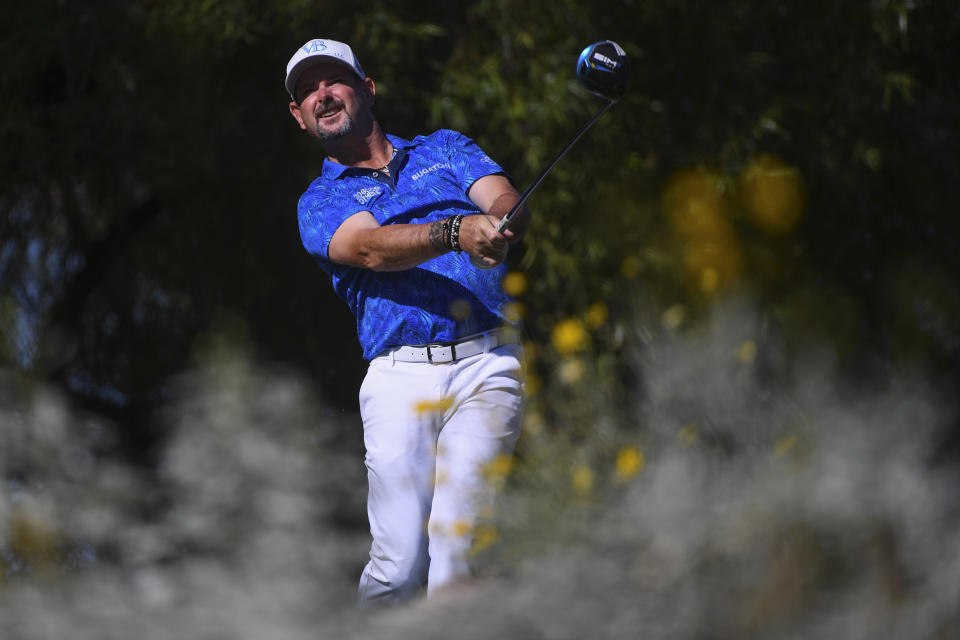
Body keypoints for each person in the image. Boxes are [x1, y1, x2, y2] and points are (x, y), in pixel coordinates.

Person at [284, 38, 529, 604]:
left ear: (366, 90)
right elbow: (369, 248)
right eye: (307, 92)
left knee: (456, 553)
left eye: (333, 81)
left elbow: (502, 197)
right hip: (399, 378)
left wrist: (503, 221)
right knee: (398, 567)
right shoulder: (319, 200)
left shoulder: (445, 149)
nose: (322, 95)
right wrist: (456, 232)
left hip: (487, 365)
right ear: (298, 117)